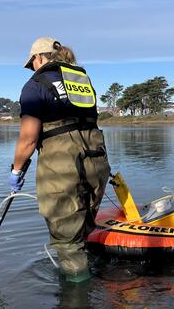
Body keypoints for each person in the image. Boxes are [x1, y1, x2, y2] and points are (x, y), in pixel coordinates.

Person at [10, 37, 111, 282]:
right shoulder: (82, 82)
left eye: (32, 62)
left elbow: (28, 138)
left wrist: (17, 170)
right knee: (84, 228)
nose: (32, 68)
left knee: (67, 239)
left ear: (39, 58)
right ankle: (91, 282)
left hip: (62, 162)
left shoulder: (35, 85)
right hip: (96, 158)